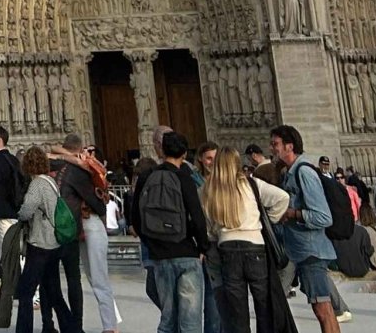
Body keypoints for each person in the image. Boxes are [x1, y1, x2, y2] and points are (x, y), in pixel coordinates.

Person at [200, 146, 289, 333]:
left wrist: (220, 232)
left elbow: (208, 229)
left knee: (237, 312)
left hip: (227, 249)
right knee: (264, 307)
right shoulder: (251, 184)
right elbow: (282, 197)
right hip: (255, 247)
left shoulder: (208, 190)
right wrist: (268, 220)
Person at [132, 131, 209, 333]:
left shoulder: (147, 177)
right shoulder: (185, 178)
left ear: (161, 150)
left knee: (168, 319)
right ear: (185, 153)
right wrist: (202, 247)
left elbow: (136, 217)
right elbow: (198, 218)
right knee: (190, 321)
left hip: (160, 256)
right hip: (186, 253)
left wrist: (151, 243)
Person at [270, 125, 343, 333]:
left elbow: (323, 216)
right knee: (321, 308)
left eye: (275, 144)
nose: (272, 148)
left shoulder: (303, 172)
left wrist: (292, 213)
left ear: (289, 146)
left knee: (323, 309)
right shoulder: (289, 173)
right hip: (301, 250)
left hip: (312, 250)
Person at [52, 136, 114, 333]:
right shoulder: (80, 168)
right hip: (88, 223)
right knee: (96, 277)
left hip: (77, 226)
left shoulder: (61, 167)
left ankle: (110, 326)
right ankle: (109, 325)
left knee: (92, 277)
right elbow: (98, 203)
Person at [12, 147, 77, 333]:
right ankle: (71, 328)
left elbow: (27, 210)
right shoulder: (50, 181)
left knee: (26, 291)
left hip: (40, 243)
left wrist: (20, 215)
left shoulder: (37, 184)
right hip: (54, 243)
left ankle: (24, 330)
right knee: (54, 291)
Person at [0, 126, 25, 305]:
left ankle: (33, 293)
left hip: (4, 212)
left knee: (12, 254)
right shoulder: (12, 160)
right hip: (13, 211)